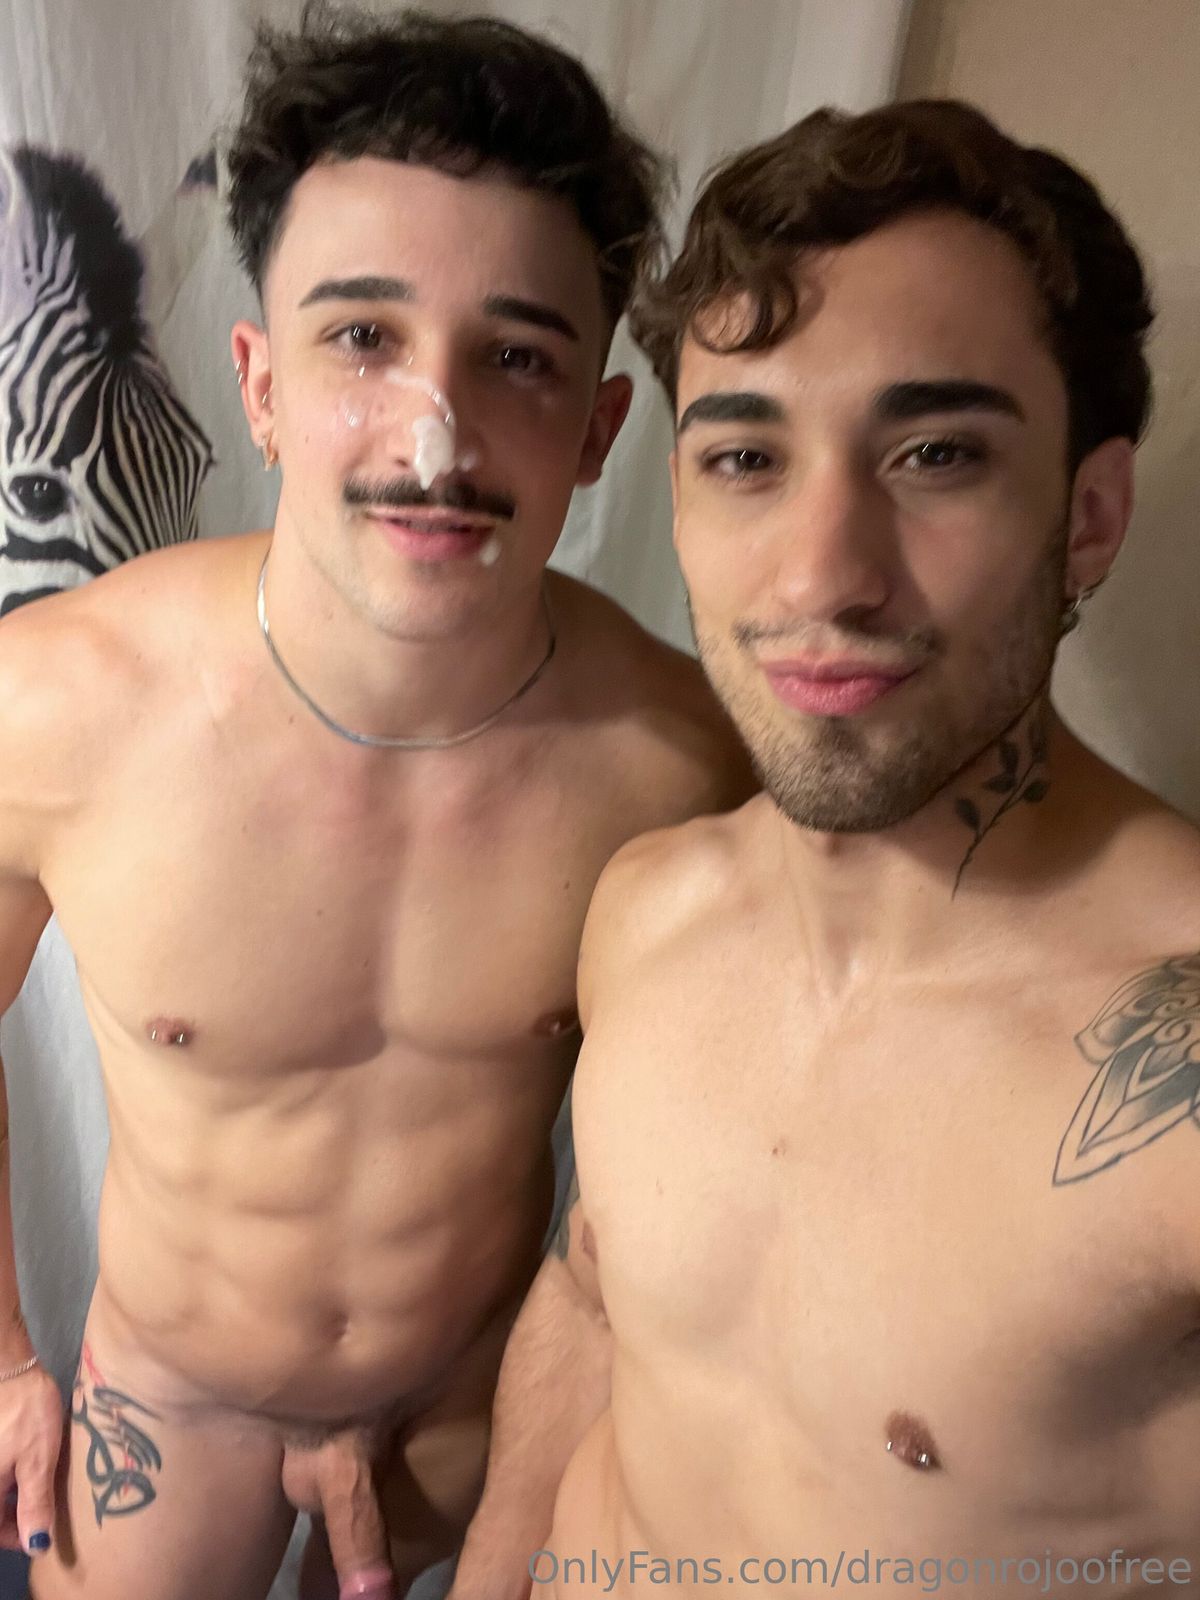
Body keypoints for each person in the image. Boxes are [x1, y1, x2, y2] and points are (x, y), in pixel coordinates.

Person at [0, 8, 753, 1599]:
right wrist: (6, 1358)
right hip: (167, 1410)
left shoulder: (683, 759)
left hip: (472, 1418)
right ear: (260, 386)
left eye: (517, 356)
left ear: (599, 428)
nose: (435, 434)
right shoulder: (56, 700)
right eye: (361, 338)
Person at [449, 99, 1200, 1598]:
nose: (820, 576)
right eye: (745, 457)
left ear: (1089, 516)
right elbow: (595, 1299)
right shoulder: (647, 908)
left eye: (934, 454)